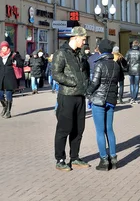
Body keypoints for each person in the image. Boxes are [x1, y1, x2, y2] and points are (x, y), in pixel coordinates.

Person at [52, 27, 90, 172]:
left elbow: (86, 72)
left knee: (79, 129)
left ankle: (75, 157)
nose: (85, 42)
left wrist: (86, 84)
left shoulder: (80, 54)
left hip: (80, 96)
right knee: (64, 129)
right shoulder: (61, 53)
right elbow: (56, 73)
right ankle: (60, 159)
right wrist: (73, 82)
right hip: (67, 95)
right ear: (75, 38)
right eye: (83, 39)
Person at [86, 39, 123, 171]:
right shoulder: (116, 65)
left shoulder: (99, 64)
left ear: (100, 50)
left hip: (99, 100)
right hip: (111, 99)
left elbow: (95, 83)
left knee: (100, 131)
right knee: (110, 129)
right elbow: (119, 81)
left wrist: (87, 92)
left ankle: (103, 160)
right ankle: (113, 158)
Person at [0, 41, 16, 119]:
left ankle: (8, 112)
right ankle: (5, 106)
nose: (4, 49)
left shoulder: (13, 55)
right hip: (1, 77)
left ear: (8, 47)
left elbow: (20, 63)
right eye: (2, 47)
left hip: (10, 77)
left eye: (5, 47)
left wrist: (15, 62)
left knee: (9, 94)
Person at [125, 40, 140, 105]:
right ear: (138, 45)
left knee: (131, 84)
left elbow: (125, 59)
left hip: (130, 69)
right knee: (136, 85)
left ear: (133, 44)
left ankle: (132, 98)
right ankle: (135, 98)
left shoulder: (129, 51)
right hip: (138, 69)